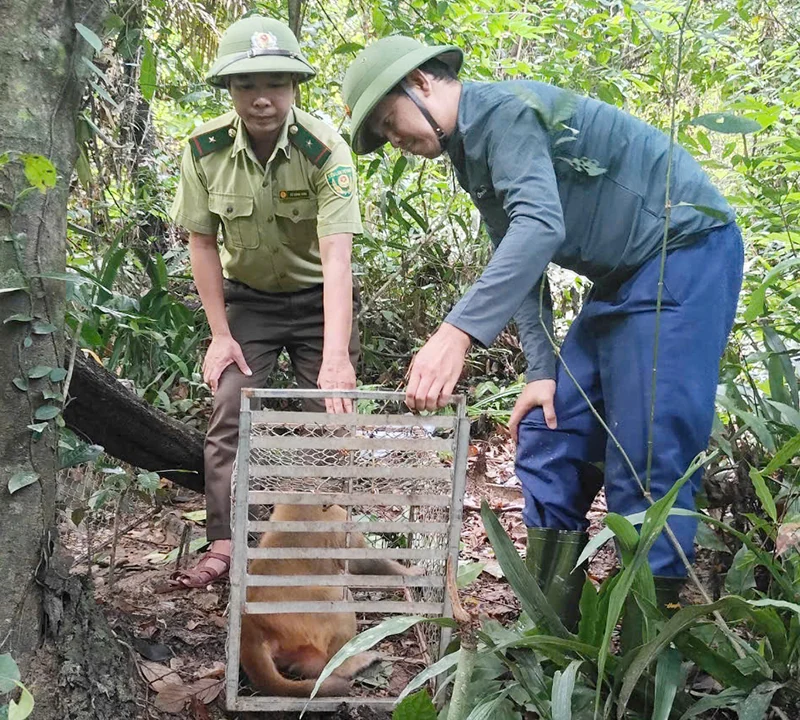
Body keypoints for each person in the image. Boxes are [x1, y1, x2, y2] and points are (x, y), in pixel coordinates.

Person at [342, 37, 743, 628]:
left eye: (389, 121)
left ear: (423, 83)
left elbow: (539, 225)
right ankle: (556, 633)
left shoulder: (505, 113)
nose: (394, 139)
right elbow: (517, 249)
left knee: (648, 461)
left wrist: (457, 332)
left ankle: (644, 659)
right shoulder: (470, 152)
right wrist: (540, 371)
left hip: (682, 253)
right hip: (619, 282)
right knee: (550, 436)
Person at [168, 15, 363, 588]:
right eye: (247, 85)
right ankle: (223, 545)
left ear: (295, 87)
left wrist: (335, 358)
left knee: (330, 418)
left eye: (275, 83)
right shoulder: (204, 151)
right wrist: (220, 334)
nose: (261, 99)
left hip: (318, 303)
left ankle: (328, 550)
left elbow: (337, 259)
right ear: (229, 90)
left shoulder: (325, 150)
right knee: (230, 408)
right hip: (248, 302)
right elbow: (202, 244)